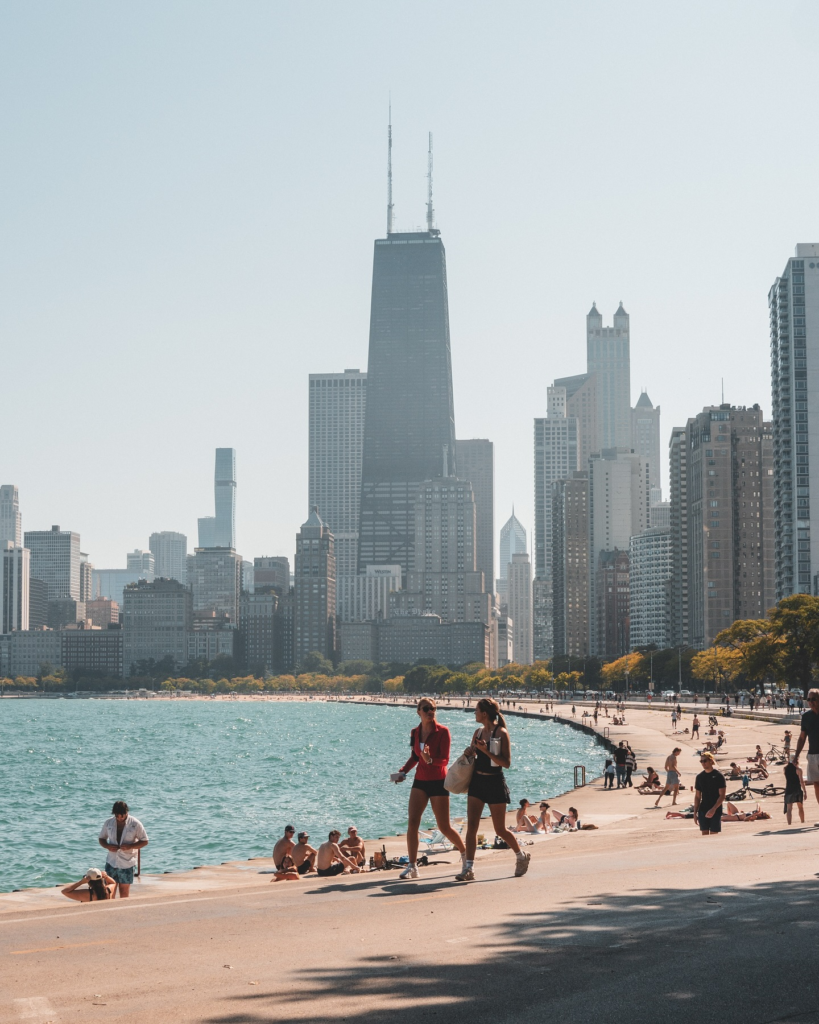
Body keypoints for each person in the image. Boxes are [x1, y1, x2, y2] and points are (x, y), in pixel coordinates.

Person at [456, 697, 530, 882]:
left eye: (476, 710)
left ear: (484, 714)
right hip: (477, 782)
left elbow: (506, 763)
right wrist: (470, 752)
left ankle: (521, 856)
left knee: (500, 830)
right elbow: (474, 754)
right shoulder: (478, 732)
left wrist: (486, 751)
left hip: (495, 782)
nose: (474, 713)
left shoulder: (501, 733)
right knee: (472, 826)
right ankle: (469, 868)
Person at [393, 697, 466, 880]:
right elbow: (414, 757)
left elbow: (445, 760)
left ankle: (466, 855)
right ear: (418, 711)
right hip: (420, 781)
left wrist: (430, 760)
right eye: (426, 709)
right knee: (412, 823)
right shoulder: (415, 732)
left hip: (438, 781)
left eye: (432, 708)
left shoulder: (443, 732)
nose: (429, 711)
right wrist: (402, 772)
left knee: (444, 826)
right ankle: (412, 866)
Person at [97, 801, 148, 897]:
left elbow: (145, 841)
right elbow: (101, 838)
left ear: (126, 812)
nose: (120, 819)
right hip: (111, 862)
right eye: (117, 816)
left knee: (124, 893)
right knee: (109, 892)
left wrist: (131, 846)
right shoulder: (108, 823)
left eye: (122, 816)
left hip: (127, 864)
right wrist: (107, 846)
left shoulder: (135, 824)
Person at [792, 688, 819, 810]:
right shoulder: (806, 717)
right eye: (809, 699)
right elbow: (802, 738)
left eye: (813, 699)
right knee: (817, 785)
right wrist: (796, 755)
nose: (811, 702)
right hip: (813, 755)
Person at [693, 752, 727, 835]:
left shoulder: (718, 776)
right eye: (701, 761)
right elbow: (697, 796)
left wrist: (713, 809)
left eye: (705, 761)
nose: (703, 763)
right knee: (704, 833)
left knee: (714, 834)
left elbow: (722, 795)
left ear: (711, 761)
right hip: (703, 809)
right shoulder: (700, 777)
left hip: (716, 809)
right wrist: (695, 813)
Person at [784, 758, 808, 825]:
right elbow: (801, 781)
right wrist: (805, 791)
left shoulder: (785, 769)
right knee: (800, 807)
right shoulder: (798, 769)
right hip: (797, 789)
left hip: (789, 789)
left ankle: (789, 824)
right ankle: (802, 821)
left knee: (789, 809)